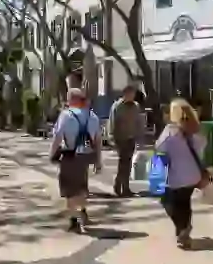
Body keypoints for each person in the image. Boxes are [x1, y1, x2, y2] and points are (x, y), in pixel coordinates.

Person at [154, 99, 209, 249]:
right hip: (193, 176)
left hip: (177, 177)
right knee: (184, 202)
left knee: (167, 201)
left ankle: (183, 228)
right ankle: (184, 231)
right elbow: (202, 146)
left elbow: (159, 148)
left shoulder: (170, 133)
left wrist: (155, 179)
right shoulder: (196, 133)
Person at [49, 88, 102, 233]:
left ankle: (74, 221)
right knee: (82, 186)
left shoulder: (66, 116)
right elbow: (98, 141)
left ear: (73, 100)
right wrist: (98, 161)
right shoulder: (93, 116)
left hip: (70, 156)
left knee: (70, 190)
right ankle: (82, 212)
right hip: (86, 156)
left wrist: (52, 154)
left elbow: (58, 137)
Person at [108, 86, 144, 197]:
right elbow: (112, 122)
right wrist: (112, 137)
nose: (132, 96)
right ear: (125, 94)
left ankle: (123, 186)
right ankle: (120, 187)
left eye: (133, 94)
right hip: (120, 138)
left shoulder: (136, 106)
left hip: (131, 138)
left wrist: (139, 135)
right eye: (130, 94)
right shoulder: (118, 106)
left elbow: (139, 122)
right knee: (123, 163)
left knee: (127, 164)